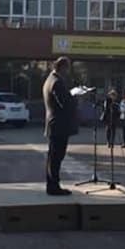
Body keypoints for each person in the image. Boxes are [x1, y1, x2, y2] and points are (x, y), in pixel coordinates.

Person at [42, 57, 76, 195]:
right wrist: (75, 97)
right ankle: (53, 187)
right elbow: (65, 104)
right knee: (56, 157)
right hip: (59, 125)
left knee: (53, 157)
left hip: (54, 124)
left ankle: (52, 185)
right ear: (62, 67)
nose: (68, 71)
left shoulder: (49, 79)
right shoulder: (56, 82)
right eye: (67, 68)